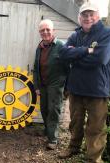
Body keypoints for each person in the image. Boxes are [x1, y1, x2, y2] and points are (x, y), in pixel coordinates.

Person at [58, 2, 110, 163]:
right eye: (84, 15)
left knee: (95, 129)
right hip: (76, 88)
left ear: (98, 16)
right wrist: (87, 50)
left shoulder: (108, 33)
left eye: (91, 14)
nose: (88, 17)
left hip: (97, 90)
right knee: (75, 122)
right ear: (79, 18)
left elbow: (100, 59)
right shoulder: (76, 34)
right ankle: (74, 147)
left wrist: (76, 56)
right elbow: (62, 54)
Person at [33, 19, 69, 150]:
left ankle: (53, 139)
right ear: (39, 32)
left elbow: (68, 67)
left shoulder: (61, 45)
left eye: (48, 29)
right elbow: (35, 67)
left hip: (56, 85)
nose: (45, 32)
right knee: (44, 109)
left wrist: (67, 87)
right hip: (43, 85)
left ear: (53, 31)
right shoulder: (40, 46)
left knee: (53, 111)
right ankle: (48, 130)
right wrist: (36, 86)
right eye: (42, 30)